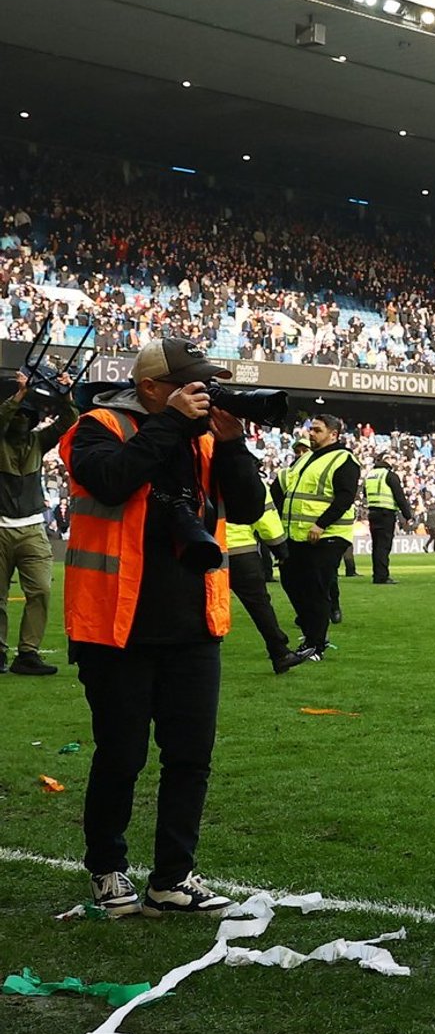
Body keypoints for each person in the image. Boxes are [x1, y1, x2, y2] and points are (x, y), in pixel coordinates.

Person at [59, 337, 266, 917]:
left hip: (194, 624)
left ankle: (172, 879)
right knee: (121, 755)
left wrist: (232, 445)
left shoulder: (204, 438)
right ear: (151, 388)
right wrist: (171, 424)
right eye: (191, 383)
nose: (204, 392)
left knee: (190, 758)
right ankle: (106, 868)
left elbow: (248, 507)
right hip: (114, 626)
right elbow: (111, 480)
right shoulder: (98, 426)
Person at [0, 365, 78, 676]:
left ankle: (28, 653)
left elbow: (69, 421)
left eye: (26, 416)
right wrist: (19, 395)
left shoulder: (36, 443)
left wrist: (66, 394)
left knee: (42, 591)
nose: (21, 420)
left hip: (32, 528)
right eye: (18, 414)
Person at [273, 413, 358, 660]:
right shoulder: (305, 459)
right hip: (297, 535)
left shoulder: (344, 459)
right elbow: (282, 488)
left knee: (315, 589)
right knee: (291, 582)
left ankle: (315, 645)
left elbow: (345, 497)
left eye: (317, 430)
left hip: (328, 535)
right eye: (311, 429)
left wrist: (321, 525)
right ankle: (313, 633)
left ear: (334, 435)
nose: (311, 433)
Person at [221, 480, 309, 674]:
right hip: (240, 549)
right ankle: (280, 652)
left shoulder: (193, 470)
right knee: (259, 605)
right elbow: (266, 517)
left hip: (204, 549)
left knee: (200, 604)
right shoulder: (247, 478)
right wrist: (280, 549)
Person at [361, 454, 414, 584]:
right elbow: (399, 497)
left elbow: (365, 493)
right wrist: (408, 515)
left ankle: (377, 574)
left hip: (373, 513)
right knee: (384, 546)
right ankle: (382, 576)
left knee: (377, 545)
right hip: (386, 513)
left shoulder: (370, 475)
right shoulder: (389, 475)